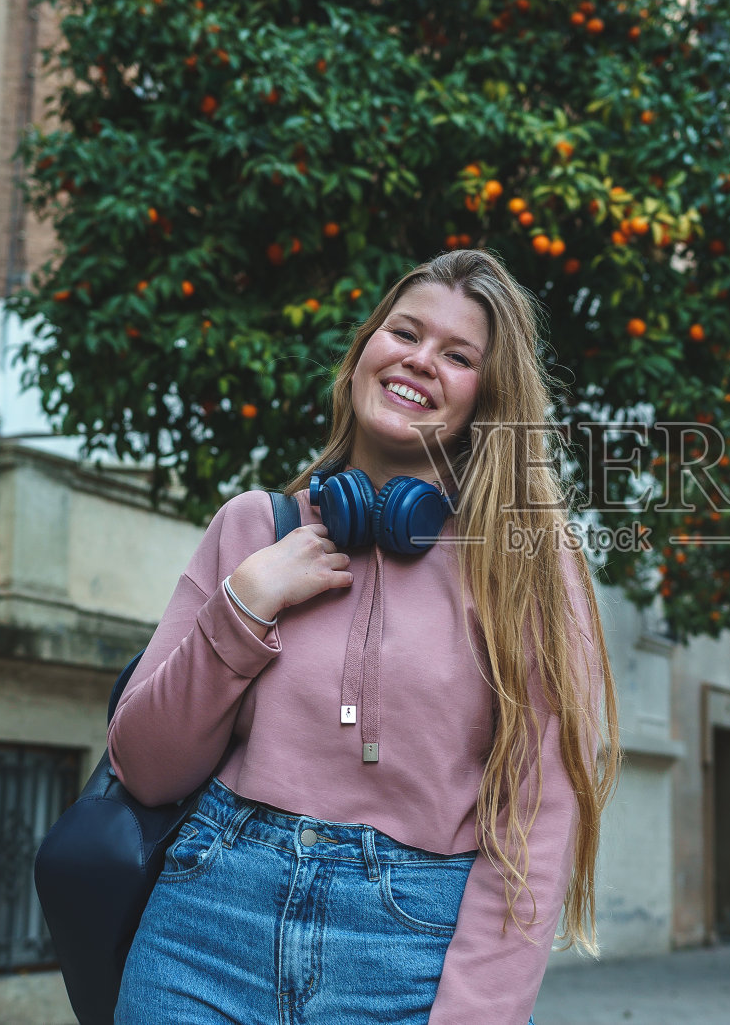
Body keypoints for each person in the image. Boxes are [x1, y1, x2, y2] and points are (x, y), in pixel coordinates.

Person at [106, 249, 620, 1024]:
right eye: (404, 332)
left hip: (403, 957)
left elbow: (537, 821)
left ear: (488, 399)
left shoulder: (529, 567)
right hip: (202, 931)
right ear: (363, 353)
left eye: (457, 355)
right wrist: (243, 605)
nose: (419, 360)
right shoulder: (252, 527)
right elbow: (144, 768)